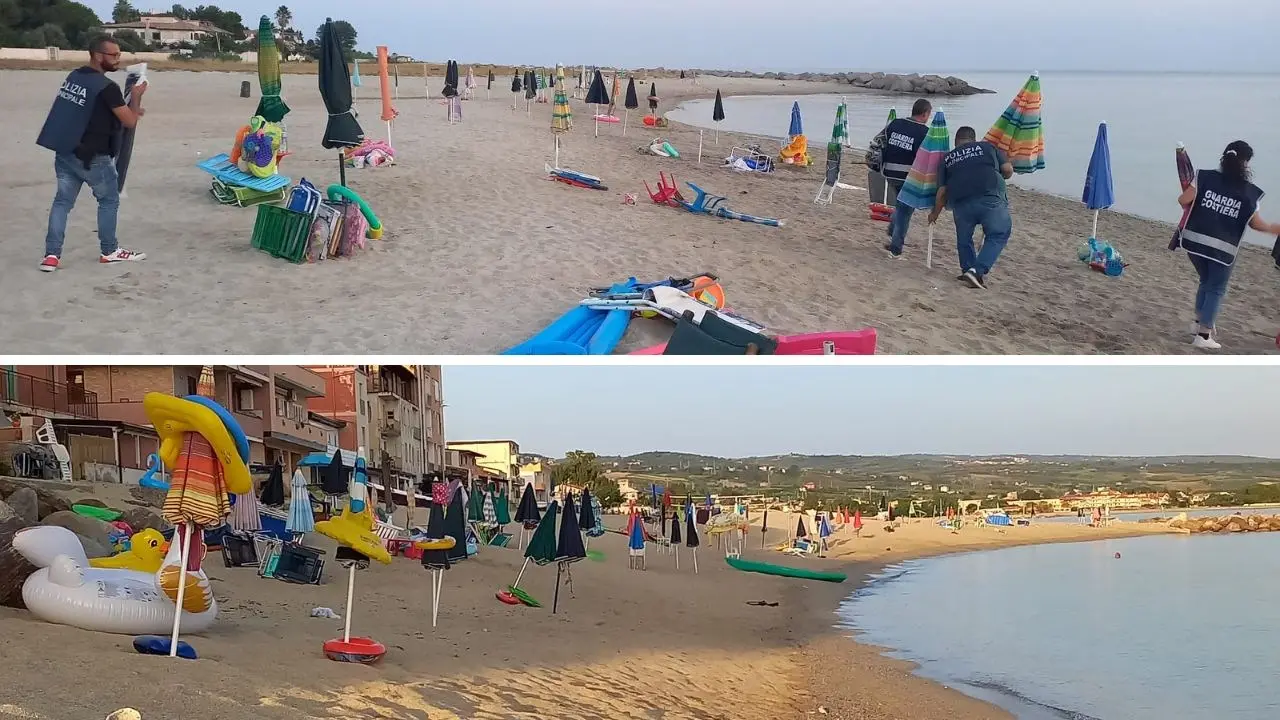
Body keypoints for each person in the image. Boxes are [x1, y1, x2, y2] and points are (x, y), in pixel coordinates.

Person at [36, 35, 148, 272]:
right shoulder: (107, 87)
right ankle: (109, 250)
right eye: (113, 55)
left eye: (119, 55)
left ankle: (51, 256)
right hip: (94, 156)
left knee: (62, 202)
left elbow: (88, 109)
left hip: (66, 151)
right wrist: (136, 97)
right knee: (109, 200)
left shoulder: (75, 77)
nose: (118, 60)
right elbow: (129, 121)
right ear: (98, 55)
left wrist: (132, 110)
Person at [1177, 141, 1280, 349]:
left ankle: (1197, 324)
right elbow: (1255, 223)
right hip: (1223, 249)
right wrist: (1273, 228)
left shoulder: (1204, 176)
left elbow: (1183, 200)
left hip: (1194, 242)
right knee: (1216, 288)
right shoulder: (1249, 192)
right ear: (1245, 164)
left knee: (1206, 282)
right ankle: (1204, 336)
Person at [927, 126, 1015, 289]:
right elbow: (1007, 169)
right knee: (999, 233)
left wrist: (935, 214)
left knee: (964, 237)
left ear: (956, 141)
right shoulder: (987, 147)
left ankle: (968, 268)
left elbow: (942, 192)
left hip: (961, 203)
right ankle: (976, 271)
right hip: (989, 197)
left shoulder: (947, 159)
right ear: (974, 139)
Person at [866, 98, 931, 257]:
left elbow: (879, 141)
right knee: (906, 211)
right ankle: (896, 246)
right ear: (925, 114)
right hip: (908, 177)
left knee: (901, 206)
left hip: (889, 172)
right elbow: (925, 158)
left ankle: (892, 230)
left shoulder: (895, 123)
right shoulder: (924, 132)